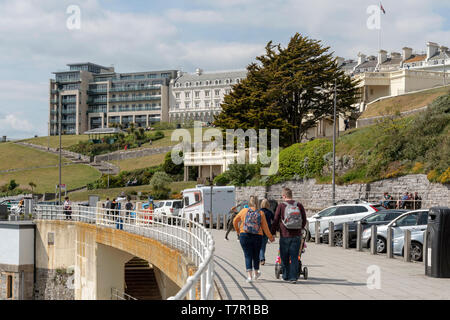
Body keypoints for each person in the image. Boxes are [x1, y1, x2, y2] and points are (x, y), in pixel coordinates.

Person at [233, 196, 275, 283]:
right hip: (257, 236)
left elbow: (234, 221)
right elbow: (265, 227)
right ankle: (256, 274)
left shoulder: (244, 211)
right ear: (258, 203)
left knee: (247, 255)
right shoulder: (260, 212)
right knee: (256, 255)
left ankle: (249, 276)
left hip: (244, 235)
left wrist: (238, 231)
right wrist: (270, 237)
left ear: (249, 202)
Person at [271, 187, 307, 284]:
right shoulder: (299, 205)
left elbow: (275, 220)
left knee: (284, 256)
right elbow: (304, 219)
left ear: (284, 196)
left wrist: (273, 233)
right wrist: (299, 228)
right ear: (291, 195)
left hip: (284, 235)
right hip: (297, 235)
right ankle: (293, 278)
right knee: (294, 256)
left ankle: (286, 276)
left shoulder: (281, 206)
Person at [259, 199, 275, 266]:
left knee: (258, 246)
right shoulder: (270, 212)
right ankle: (262, 259)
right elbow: (274, 220)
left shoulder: (259, 211)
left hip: (258, 230)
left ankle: (260, 258)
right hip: (267, 230)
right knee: (263, 246)